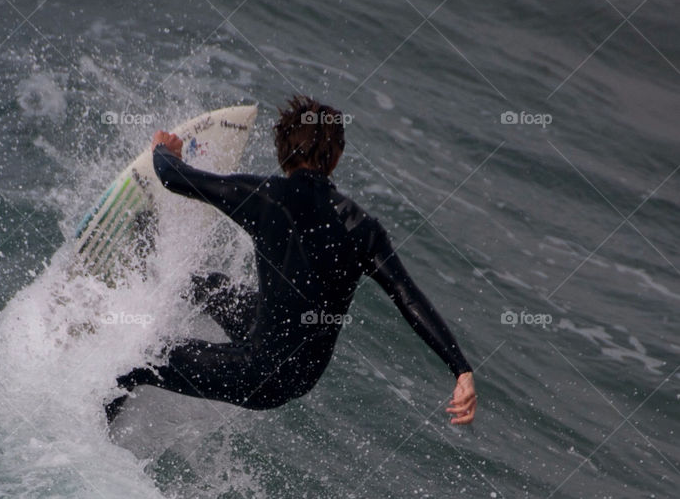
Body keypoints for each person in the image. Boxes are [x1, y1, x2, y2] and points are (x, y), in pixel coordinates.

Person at [104, 95, 477, 426]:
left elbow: (173, 177)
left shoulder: (264, 196)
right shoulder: (363, 227)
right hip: (298, 375)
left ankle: (94, 443)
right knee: (206, 285)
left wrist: (163, 150)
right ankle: (140, 302)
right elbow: (407, 296)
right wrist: (460, 369)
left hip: (256, 371)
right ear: (337, 156)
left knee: (139, 359)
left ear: (282, 150)